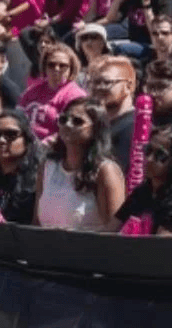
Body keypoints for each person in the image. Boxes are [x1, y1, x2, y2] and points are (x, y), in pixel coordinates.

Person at [37, 98, 126, 232]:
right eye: (63, 119)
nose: (68, 124)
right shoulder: (47, 166)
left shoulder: (105, 171)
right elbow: (36, 223)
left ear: (95, 128)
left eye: (77, 121)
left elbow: (115, 232)